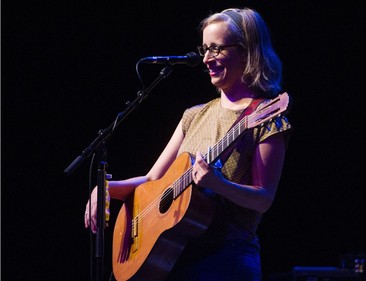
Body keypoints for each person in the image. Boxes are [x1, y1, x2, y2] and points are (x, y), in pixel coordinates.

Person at [84, 7, 292, 281]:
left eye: (216, 49)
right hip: (175, 258)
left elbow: (263, 198)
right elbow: (152, 179)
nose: (206, 58)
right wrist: (106, 190)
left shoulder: (265, 117)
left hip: (227, 260)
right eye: (205, 48)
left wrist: (219, 185)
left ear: (247, 52)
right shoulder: (194, 115)